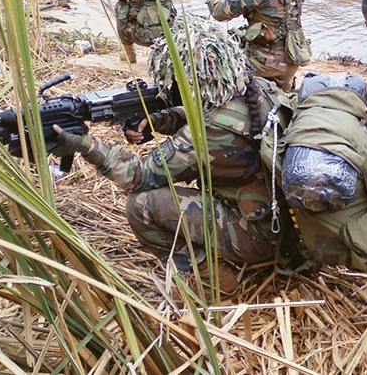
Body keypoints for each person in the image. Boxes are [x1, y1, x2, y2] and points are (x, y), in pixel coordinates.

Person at [51, 18, 282, 295]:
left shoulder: (207, 133)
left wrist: (87, 145)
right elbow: (215, 116)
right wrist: (162, 120)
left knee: (140, 206)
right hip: (284, 227)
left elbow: (138, 175)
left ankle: (213, 282)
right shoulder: (261, 90)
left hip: (258, 238)